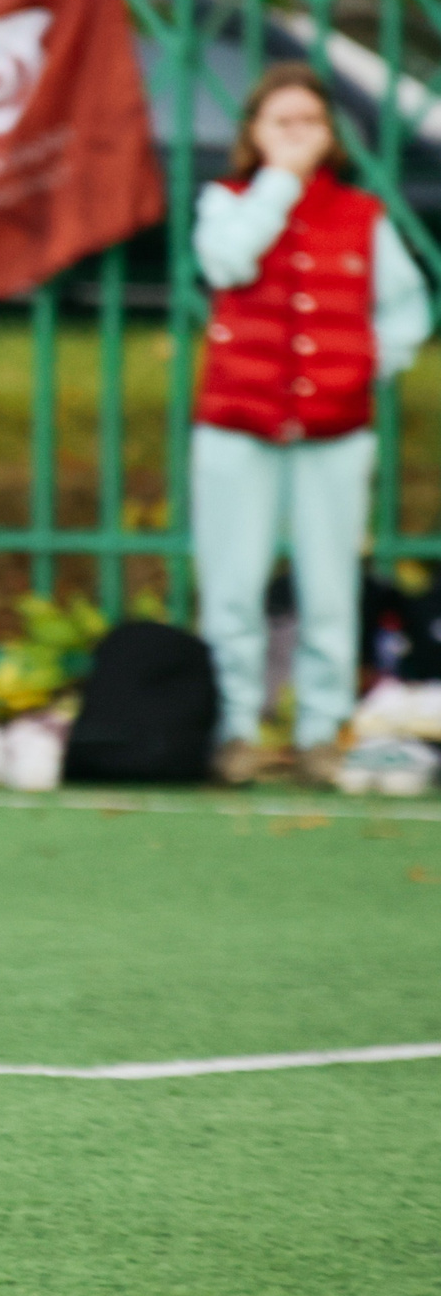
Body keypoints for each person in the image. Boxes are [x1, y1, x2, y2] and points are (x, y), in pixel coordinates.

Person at [193, 63, 430, 786]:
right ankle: (236, 726)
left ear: (332, 136)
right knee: (232, 585)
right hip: (238, 422)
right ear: (254, 136)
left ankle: (321, 730)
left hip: (333, 426)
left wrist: (366, 363)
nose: (298, 135)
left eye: (310, 123)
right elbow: (227, 262)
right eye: (281, 122)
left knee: (329, 589)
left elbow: (407, 305)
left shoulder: (363, 216)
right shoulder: (227, 202)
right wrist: (280, 185)